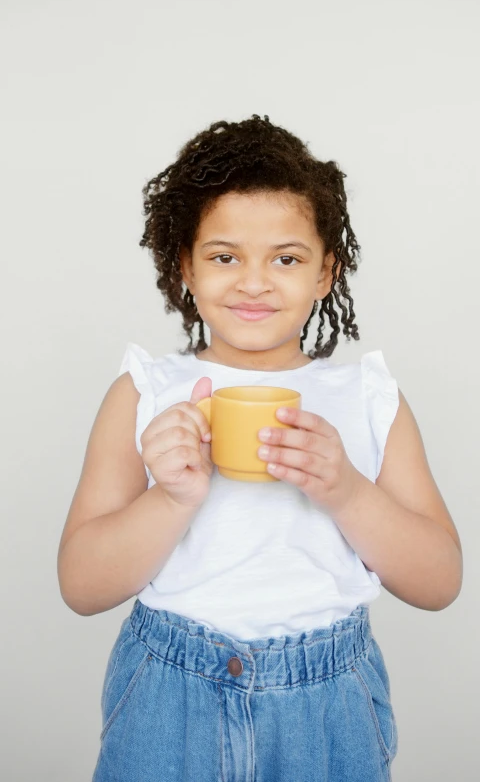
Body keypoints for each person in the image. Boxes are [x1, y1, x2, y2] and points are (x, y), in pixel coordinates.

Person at [57, 114, 462, 782]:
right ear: (184, 263)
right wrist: (172, 497)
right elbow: (81, 584)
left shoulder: (368, 398)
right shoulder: (145, 392)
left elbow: (440, 578)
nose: (254, 281)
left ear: (326, 272)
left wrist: (347, 490)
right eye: (224, 256)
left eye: (286, 258)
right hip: (169, 696)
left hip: (326, 704)